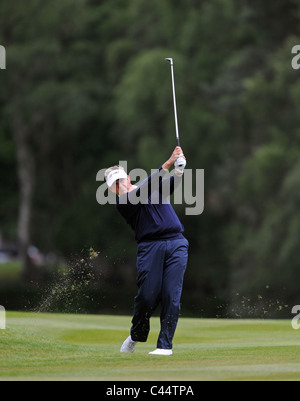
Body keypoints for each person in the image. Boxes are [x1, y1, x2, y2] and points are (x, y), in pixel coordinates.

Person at [105, 147, 189, 356]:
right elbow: (146, 187)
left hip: (177, 242)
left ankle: (164, 346)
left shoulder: (149, 188)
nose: (119, 185)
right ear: (112, 189)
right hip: (150, 247)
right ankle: (136, 335)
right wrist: (169, 163)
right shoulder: (123, 203)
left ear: (128, 178)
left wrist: (179, 171)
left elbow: (170, 186)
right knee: (147, 295)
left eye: (121, 180)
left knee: (171, 295)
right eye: (115, 184)